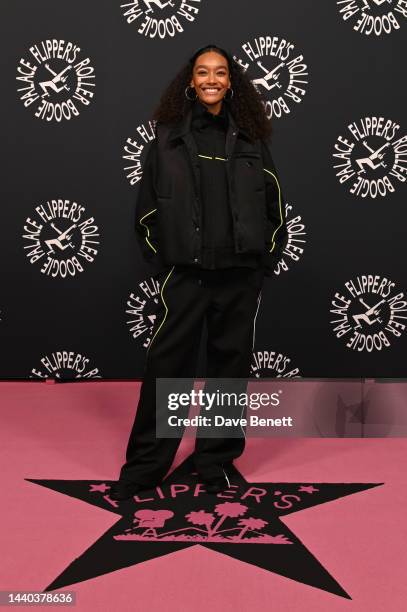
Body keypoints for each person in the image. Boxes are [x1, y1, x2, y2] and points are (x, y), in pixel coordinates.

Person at [110, 44, 288, 501]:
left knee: (229, 372)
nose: (212, 79)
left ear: (232, 83)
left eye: (221, 72)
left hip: (239, 276)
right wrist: (166, 255)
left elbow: (275, 208)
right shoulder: (166, 140)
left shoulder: (251, 139)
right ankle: (147, 467)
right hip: (186, 277)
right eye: (203, 72)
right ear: (191, 82)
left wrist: (262, 259)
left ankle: (216, 462)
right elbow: (147, 210)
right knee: (167, 371)